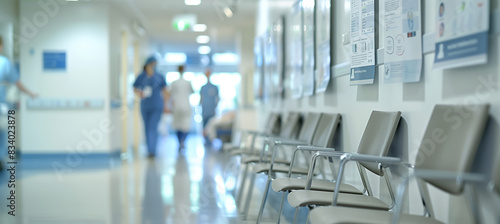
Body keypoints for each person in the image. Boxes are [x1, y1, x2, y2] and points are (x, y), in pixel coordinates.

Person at [0, 35, 37, 170]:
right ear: (1, 46)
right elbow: (17, 83)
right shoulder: (5, 63)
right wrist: (30, 93)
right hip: (2, 105)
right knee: (2, 133)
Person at [133, 56, 169, 158]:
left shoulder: (159, 76)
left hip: (157, 105)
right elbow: (135, 88)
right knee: (147, 127)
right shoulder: (141, 76)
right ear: (147, 64)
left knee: (153, 127)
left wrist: (166, 105)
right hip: (145, 105)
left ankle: (152, 151)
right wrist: (140, 92)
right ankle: (149, 149)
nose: (154, 66)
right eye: (152, 64)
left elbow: (166, 91)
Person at [169, 65, 193, 150]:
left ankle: (180, 142)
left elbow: (170, 94)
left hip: (177, 106)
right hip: (185, 105)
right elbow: (192, 91)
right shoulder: (188, 82)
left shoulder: (174, 83)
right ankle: (183, 141)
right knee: (185, 125)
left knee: (178, 125)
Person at [199, 69, 219, 144]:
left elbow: (217, 98)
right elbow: (201, 98)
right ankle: (205, 140)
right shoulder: (203, 87)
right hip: (205, 110)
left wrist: (215, 107)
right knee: (204, 126)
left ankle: (210, 140)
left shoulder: (215, 87)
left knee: (211, 126)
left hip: (212, 110)